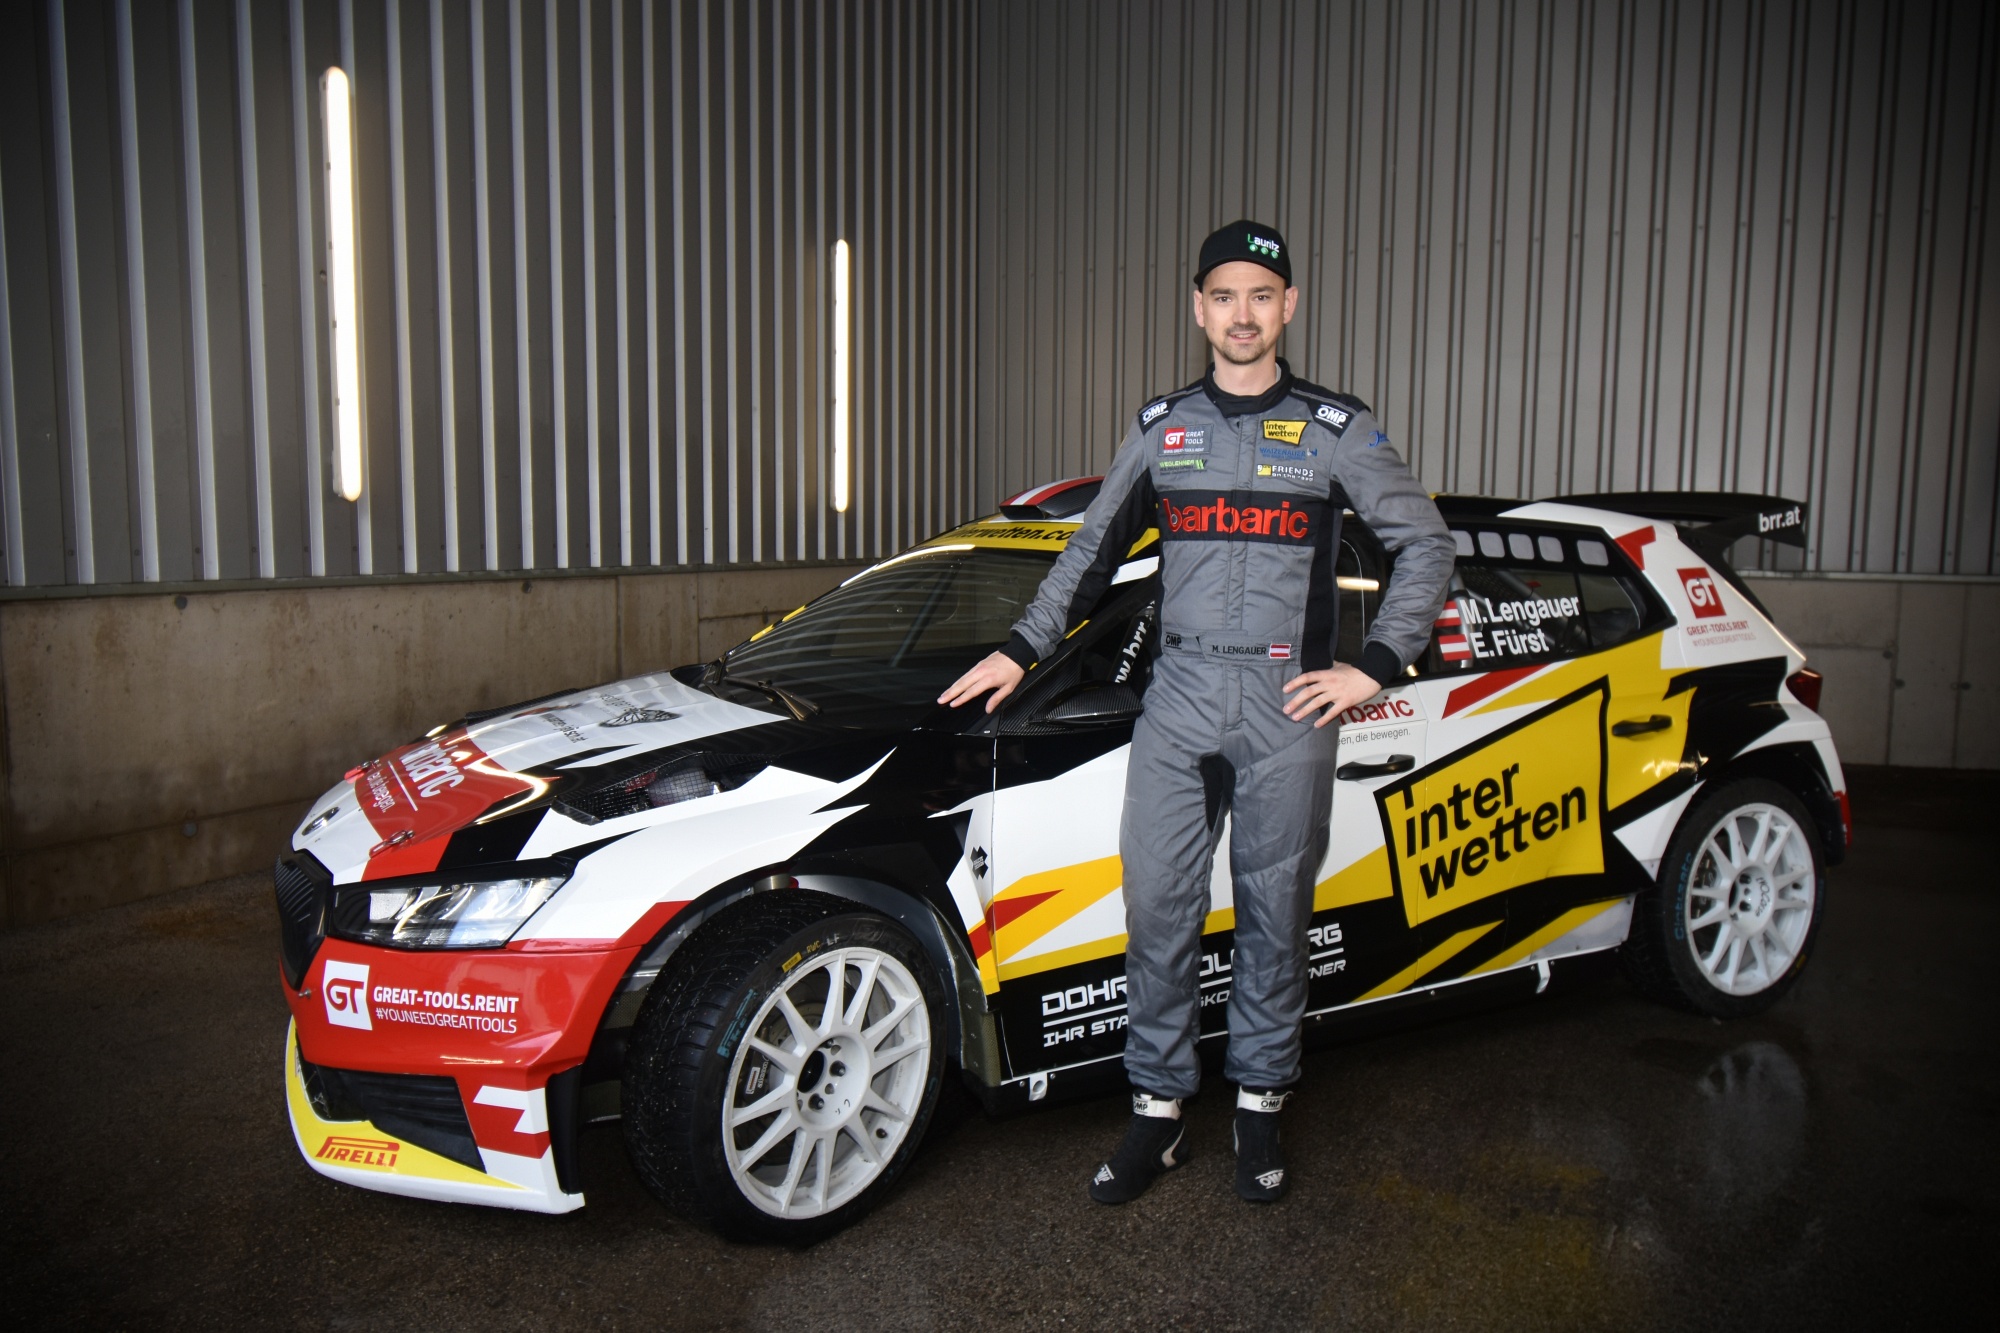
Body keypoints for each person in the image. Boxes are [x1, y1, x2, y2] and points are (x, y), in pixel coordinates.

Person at [941, 221, 1454, 1204]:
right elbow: (1088, 554)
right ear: (1198, 309)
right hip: (1177, 699)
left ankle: (1259, 1107)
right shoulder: (1160, 426)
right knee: (1157, 911)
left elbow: (1425, 546)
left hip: (1286, 704)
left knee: (1274, 915)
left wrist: (1374, 665)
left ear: (1287, 306)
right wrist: (1021, 647)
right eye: (1223, 296)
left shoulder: (1336, 428)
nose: (1241, 314)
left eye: (1260, 295)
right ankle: (1157, 1114)